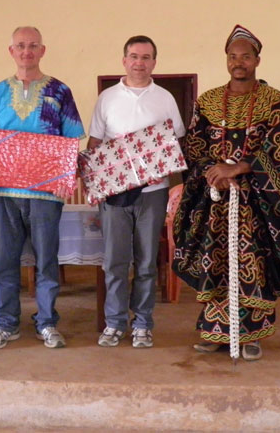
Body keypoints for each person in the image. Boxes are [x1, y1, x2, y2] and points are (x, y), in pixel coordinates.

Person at [173, 25, 280, 361]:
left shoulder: (275, 101)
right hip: (214, 199)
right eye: (233, 57)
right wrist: (211, 171)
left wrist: (240, 167)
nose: (239, 62)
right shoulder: (207, 101)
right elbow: (194, 145)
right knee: (213, 260)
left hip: (258, 201)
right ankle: (214, 331)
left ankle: (252, 334)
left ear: (257, 60)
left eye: (245, 56)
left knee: (254, 263)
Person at [0, 26, 84, 350]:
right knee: (6, 261)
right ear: (11, 51)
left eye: (33, 46)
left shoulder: (60, 91)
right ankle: (5, 324)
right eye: (20, 46)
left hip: (46, 195)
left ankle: (47, 323)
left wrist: (65, 176)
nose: (27, 51)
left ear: (42, 50)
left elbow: (72, 139)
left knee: (46, 260)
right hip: (3, 194)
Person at [87, 35, 185, 349]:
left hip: (153, 192)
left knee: (146, 263)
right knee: (115, 262)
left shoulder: (165, 98)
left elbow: (175, 143)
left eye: (145, 57)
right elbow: (95, 145)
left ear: (154, 62)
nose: (139, 63)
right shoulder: (107, 98)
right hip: (115, 195)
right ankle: (114, 323)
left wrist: (175, 186)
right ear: (124, 60)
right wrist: (97, 187)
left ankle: (143, 323)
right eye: (133, 56)